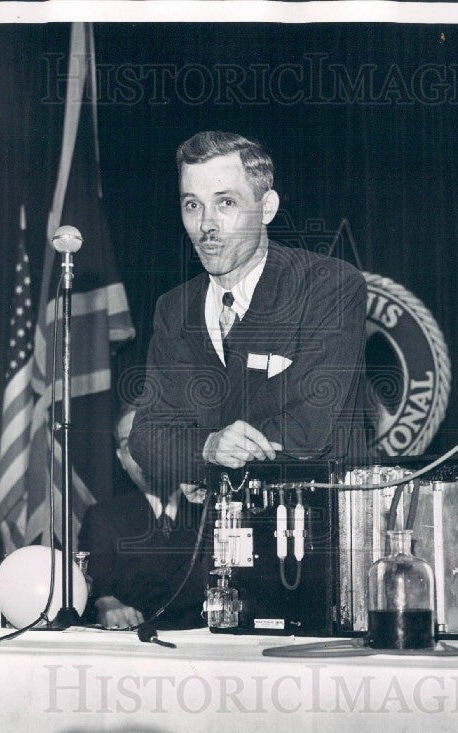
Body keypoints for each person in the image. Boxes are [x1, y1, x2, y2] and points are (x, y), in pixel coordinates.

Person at [129, 131, 371, 492]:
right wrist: (209, 448)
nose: (206, 224)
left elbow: (307, 429)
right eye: (192, 205)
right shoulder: (175, 308)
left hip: (327, 528)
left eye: (225, 203)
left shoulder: (328, 286)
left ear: (267, 207)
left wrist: (205, 464)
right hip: (222, 537)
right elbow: (147, 440)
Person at [77, 407, 207, 629]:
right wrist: (106, 604)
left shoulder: (214, 509)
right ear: (121, 459)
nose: (144, 456)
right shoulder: (103, 517)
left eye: (153, 442)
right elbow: (97, 586)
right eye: (132, 446)